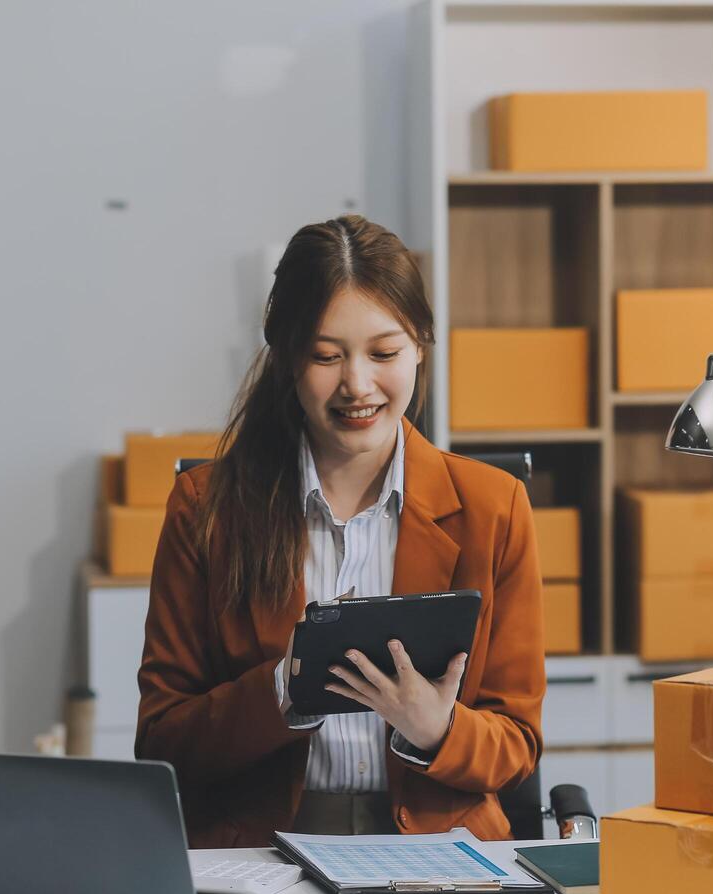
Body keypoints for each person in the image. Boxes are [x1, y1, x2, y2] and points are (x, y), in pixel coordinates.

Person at [136, 215, 544, 847]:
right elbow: (162, 739)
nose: (358, 385)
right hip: (265, 850)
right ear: (286, 361)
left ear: (419, 348)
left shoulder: (495, 508)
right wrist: (284, 688)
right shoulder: (206, 508)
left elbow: (517, 746)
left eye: (384, 353)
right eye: (326, 356)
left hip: (438, 849)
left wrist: (436, 727)